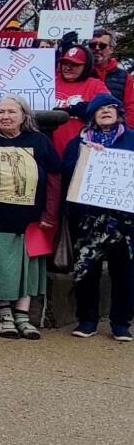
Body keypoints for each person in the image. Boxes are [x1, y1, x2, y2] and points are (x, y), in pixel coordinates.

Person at [0, 95, 60, 340]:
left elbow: (54, 178)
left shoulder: (40, 141)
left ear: (24, 116)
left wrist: (50, 213)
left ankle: (23, 317)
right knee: (0, 268)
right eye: (1, 112)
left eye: (11, 112)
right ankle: (5, 315)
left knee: (26, 270)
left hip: (31, 222)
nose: (5, 116)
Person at [63, 94, 134, 341]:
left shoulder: (132, 138)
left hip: (124, 222)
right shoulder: (78, 143)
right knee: (87, 271)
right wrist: (86, 158)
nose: (105, 111)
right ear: (91, 115)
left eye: (110, 107)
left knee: (124, 272)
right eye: (99, 108)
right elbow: (66, 173)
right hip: (88, 218)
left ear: (118, 112)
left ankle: (121, 323)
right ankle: (87, 320)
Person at [52, 44, 109, 156]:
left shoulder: (95, 85)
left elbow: (110, 111)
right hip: (49, 151)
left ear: (86, 66)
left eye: (74, 65)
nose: (68, 68)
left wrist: (88, 109)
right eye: (65, 63)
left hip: (79, 152)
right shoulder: (50, 80)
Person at [89, 28, 134, 127]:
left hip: (114, 130)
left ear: (112, 48)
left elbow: (130, 107)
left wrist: (125, 132)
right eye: (92, 45)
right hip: (84, 130)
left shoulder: (124, 76)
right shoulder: (80, 72)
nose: (97, 48)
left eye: (102, 45)